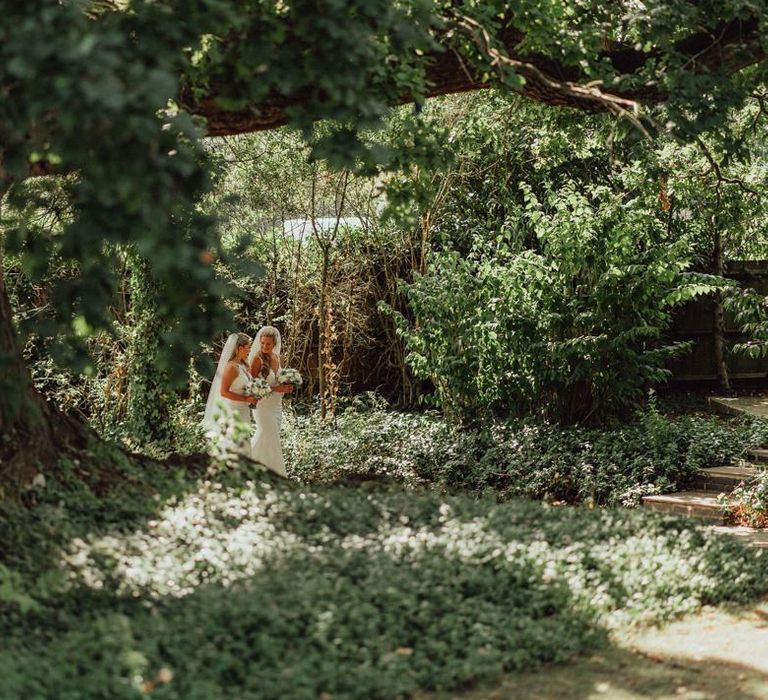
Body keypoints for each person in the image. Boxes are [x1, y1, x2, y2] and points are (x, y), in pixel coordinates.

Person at [247, 325, 293, 477]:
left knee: (268, 438)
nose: (265, 346)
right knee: (268, 434)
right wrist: (275, 389)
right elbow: (252, 386)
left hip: (276, 406)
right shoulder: (256, 359)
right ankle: (277, 476)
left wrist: (284, 385)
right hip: (262, 406)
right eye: (262, 343)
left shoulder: (276, 357)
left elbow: (276, 380)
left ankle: (256, 470)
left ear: (274, 345)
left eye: (268, 344)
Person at [202, 333, 257, 457]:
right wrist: (246, 398)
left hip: (243, 410)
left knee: (243, 443)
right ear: (239, 348)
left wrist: (255, 393)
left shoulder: (244, 365)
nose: (249, 349)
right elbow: (224, 392)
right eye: (248, 347)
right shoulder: (231, 367)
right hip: (233, 411)